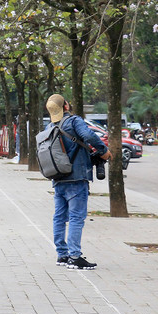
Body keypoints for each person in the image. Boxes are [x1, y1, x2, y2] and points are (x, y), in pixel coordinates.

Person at [45, 94, 111, 270]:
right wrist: (103, 150)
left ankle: (62, 255)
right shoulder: (74, 121)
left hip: (58, 177)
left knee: (59, 217)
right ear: (66, 106)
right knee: (76, 217)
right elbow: (88, 135)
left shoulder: (50, 126)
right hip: (76, 177)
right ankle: (74, 256)